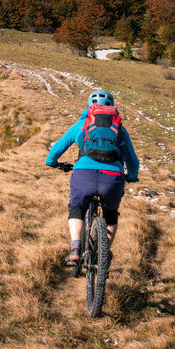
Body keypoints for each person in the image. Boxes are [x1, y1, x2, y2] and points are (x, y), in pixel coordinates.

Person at [45, 90, 140, 267]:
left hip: (84, 175)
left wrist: (52, 162)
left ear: (89, 106)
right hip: (112, 179)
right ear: (111, 109)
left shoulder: (81, 125)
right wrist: (132, 176)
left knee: (76, 208)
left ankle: (75, 250)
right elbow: (133, 161)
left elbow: (57, 148)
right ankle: (105, 255)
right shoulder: (120, 129)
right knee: (111, 215)